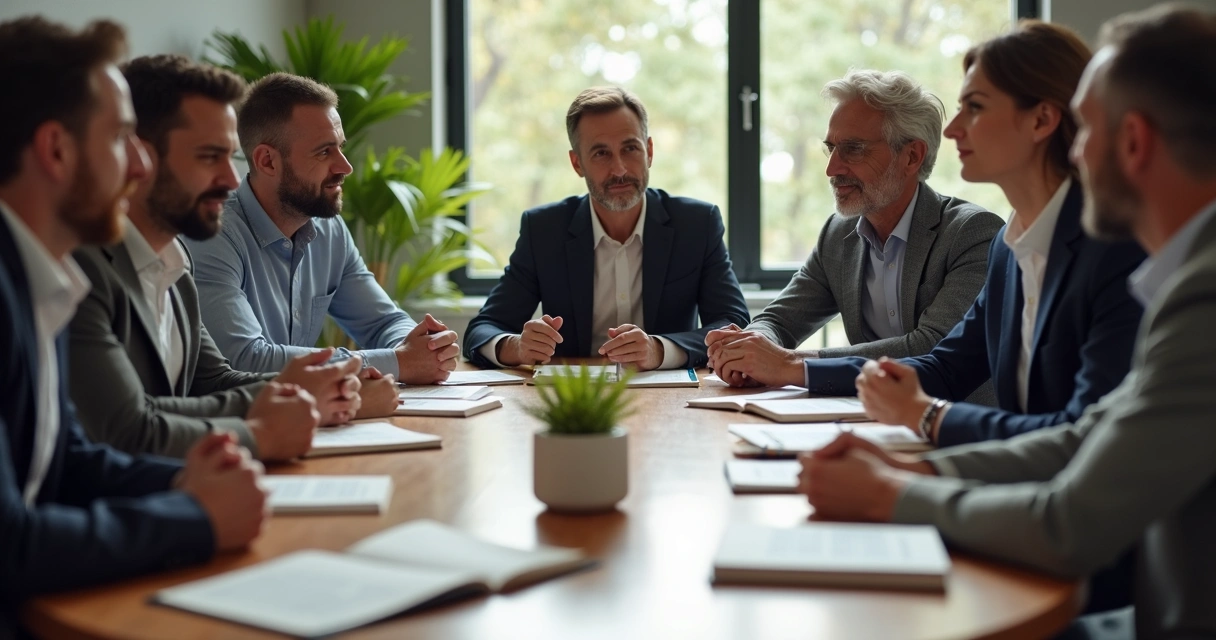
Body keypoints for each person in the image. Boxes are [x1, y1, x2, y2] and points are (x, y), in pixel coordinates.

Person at [798, 6, 1216, 638]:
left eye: (1086, 129)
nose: (1075, 149)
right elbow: (1087, 437)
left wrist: (891, 492)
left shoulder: (1198, 293)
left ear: (1133, 142)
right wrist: (917, 470)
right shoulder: (1156, 272)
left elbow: (1070, 523)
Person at [0, 17, 309, 634]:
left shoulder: (40, 276)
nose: (139, 163)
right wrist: (196, 516)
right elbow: (9, 543)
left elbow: (69, 458)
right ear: (56, 150)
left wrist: (193, 480)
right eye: (121, 138)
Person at [786, 22, 1146, 448]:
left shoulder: (1116, 249)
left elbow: (1083, 438)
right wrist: (797, 369)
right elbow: (944, 367)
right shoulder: (1008, 247)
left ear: (1041, 120)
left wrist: (924, 426)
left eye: (974, 107)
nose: (953, 128)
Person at [67, 55, 399, 461]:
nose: (230, 180)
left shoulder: (175, 262)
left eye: (229, 156)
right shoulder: (83, 271)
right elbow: (128, 429)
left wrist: (325, 394)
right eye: (209, 157)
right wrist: (276, 423)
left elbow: (214, 381)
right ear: (140, 158)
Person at [705, 70, 1004, 392]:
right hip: (865, 413)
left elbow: (932, 348)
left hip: (950, 418)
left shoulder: (973, 233)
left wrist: (790, 364)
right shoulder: (838, 234)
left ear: (912, 156)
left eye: (853, 149)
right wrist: (749, 346)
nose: (831, 168)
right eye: (831, 148)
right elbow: (780, 321)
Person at [186, 73, 459, 384]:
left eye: (340, 147)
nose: (345, 166)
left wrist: (424, 347)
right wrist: (399, 362)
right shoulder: (212, 234)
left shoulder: (330, 231)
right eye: (324, 152)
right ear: (268, 161)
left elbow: (382, 322)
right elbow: (244, 359)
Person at [463, 87, 750, 370]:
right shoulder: (544, 231)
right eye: (601, 153)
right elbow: (483, 329)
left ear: (649, 152)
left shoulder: (697, 224)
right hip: (574, 394)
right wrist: (516, 347)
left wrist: (660, 350)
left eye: (630, 148)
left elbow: (733, 323)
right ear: (577, 163)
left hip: (671, 393)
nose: (620, 170)